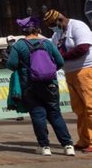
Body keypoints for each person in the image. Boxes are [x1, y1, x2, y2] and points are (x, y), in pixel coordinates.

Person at [7, 16, 75, 156]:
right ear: (37, 29)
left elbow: (12, 65)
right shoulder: (48, 43)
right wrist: (47, 71)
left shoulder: (19, 45)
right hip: (50, 84)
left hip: (30, 85)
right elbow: (60, 62)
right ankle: (68, 146)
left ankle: (44, 147)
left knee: (38, 114)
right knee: (55, 114)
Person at [43, 9, 92, 153]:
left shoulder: (77, 26)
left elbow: (83, 47)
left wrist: (62, 57)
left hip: (85, 70)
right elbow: (51, 49)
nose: (53, 28)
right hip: (69, 73)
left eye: (53, 24)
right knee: (79, 109)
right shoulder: (57, 34)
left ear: (60, 19)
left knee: (90, 106)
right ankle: (84, 140)